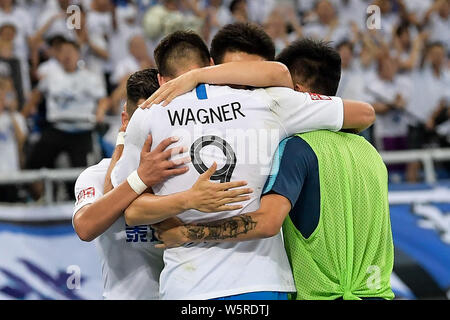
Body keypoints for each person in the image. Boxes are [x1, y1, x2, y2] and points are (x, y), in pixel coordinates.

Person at [113, 26, 375, 300]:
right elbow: (363, 113)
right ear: (213, 64)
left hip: (187, 286)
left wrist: (187, 201)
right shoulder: (265, 101)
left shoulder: (147, 117)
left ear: (160, 79)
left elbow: (128, 210)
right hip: (261, 281)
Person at [73, 68, 251, 299]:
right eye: (140, 119)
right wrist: (139, 176)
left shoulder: (192, 172)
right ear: (126, 120)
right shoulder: (96, 174)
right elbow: (86, 227)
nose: (149, 126)